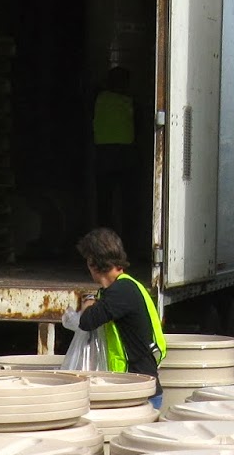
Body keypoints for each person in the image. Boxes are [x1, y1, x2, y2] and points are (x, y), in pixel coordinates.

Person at [62, 227, 165, 396]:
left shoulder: (121, 291)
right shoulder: (125, 287)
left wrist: (88, 303)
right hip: (136, 386)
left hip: (139, 391)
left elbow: (86, 322)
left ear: (92, 263)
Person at [92, 67, 135, 237]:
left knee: (104, 201)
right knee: (128, 201)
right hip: (125, 153)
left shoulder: (98, 99)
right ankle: (129, 239)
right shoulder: (130, 101)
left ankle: (104, 240)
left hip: (103, 153)